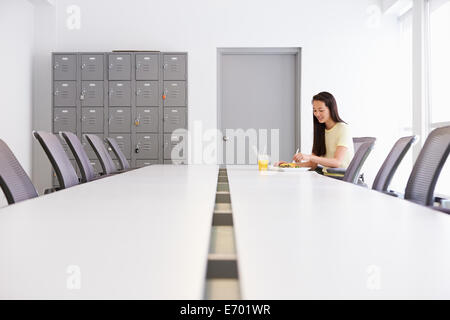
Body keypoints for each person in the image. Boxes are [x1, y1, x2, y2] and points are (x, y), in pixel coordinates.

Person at [276, 92, 354, 170]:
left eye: (321, 110)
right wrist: (287, 165)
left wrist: (310, 157)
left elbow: (337, 162)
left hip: (342, 178)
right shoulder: (320, 131)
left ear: (331, 109)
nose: (317, 114)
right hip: (327, 176)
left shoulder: (343, 128)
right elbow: (312, 164)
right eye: (315, 110)